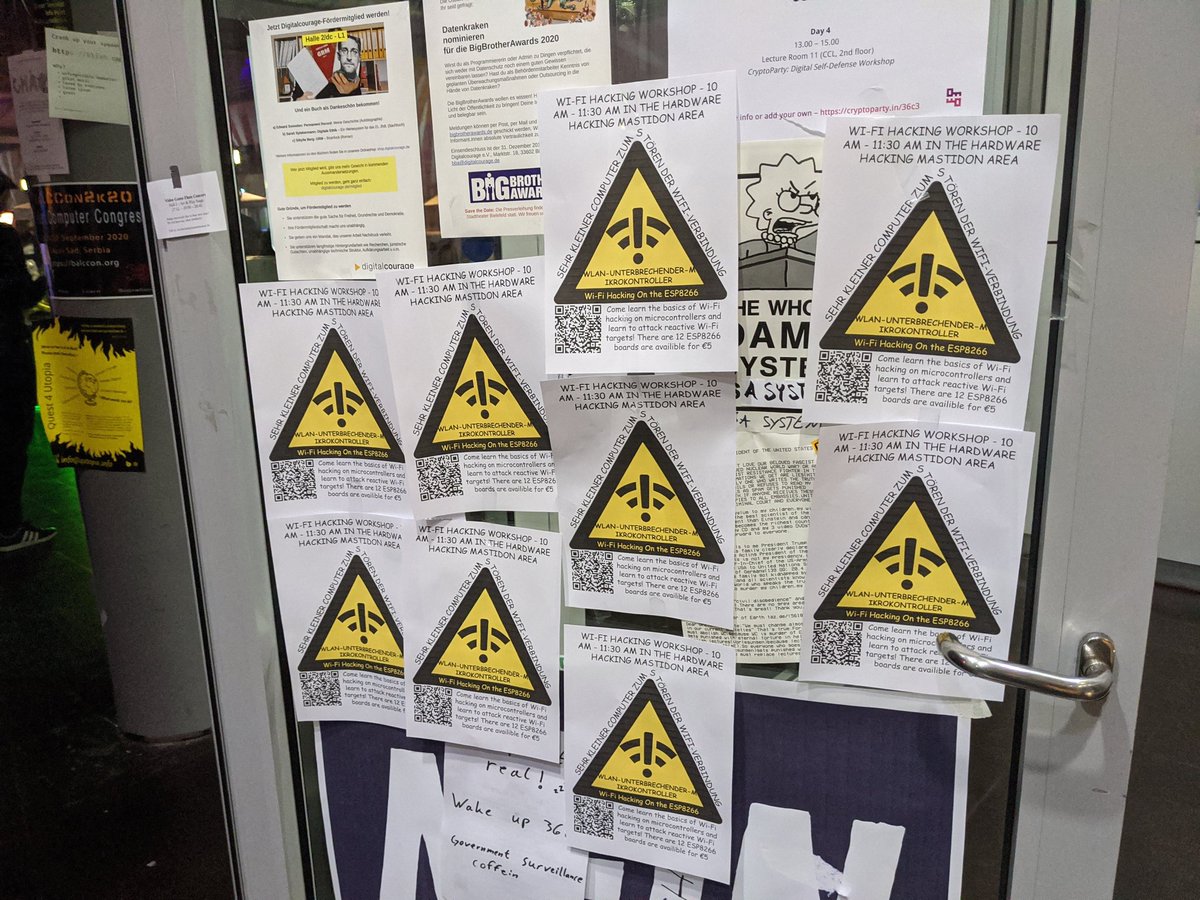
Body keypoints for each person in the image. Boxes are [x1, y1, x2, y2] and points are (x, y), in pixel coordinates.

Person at [0, 221, 54, 553]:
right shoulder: (4, 238)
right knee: (10, 442)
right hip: (6, 357)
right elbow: (18, 292)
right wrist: (46, 279)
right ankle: (8, 529)